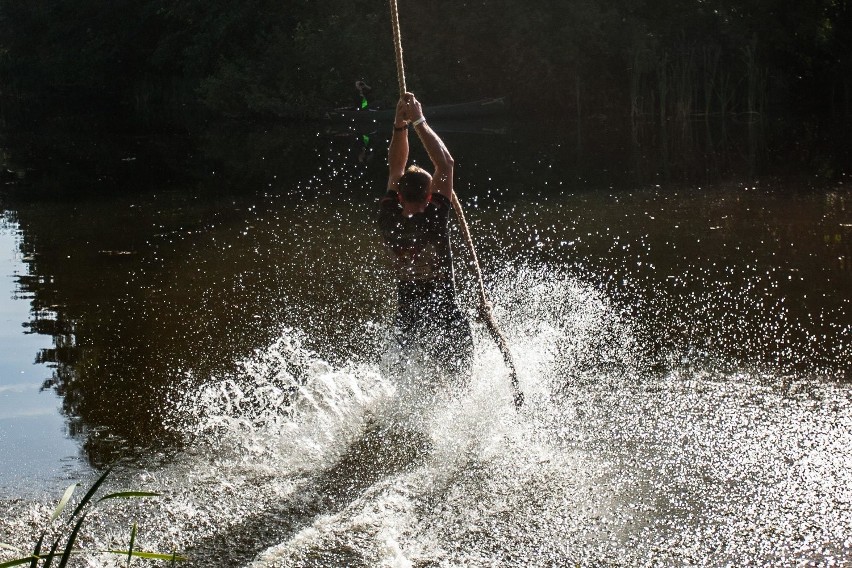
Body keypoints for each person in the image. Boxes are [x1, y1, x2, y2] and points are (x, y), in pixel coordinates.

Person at [377, 92, 473, 380]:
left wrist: (398, 125)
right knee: (458, 385)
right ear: (430, 195)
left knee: (405, 386)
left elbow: (396, 168)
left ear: (399, 194)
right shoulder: (436, 215)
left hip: (408, 319)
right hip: (446, 315)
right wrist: (417, 119)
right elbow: (446, 164)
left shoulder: (387, 216)